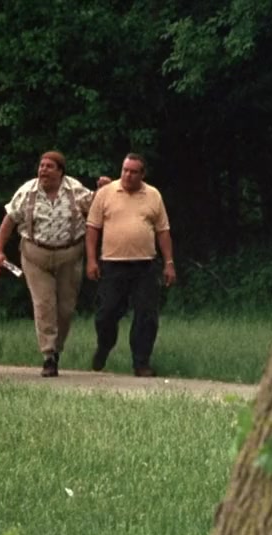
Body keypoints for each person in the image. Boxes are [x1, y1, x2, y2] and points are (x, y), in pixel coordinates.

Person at [0, 151, 107, 377]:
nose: (43, 170)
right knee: (44, 304)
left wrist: (103, 189)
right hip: (36, 256)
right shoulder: (27, 192)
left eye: (49, 166)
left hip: (69, 255)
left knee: (66, 308)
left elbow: (95, 206)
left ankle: (57, 349)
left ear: (60, 171)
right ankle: (48, 355)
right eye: (41, 165)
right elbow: (9, 220)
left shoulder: (74, 189)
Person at [85, 153, 176, 377]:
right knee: (106, 313)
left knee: (146, 314)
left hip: (145, 265)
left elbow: (163, 231)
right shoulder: (106, 193)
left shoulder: (153, 195)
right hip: (112, 264)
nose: (128, 175)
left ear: (142, 174)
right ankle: (104, 346)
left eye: (133, 172)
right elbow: (93, 228)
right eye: (125, 170)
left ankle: (141, 363)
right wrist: (91, 260)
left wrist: (169, 263)